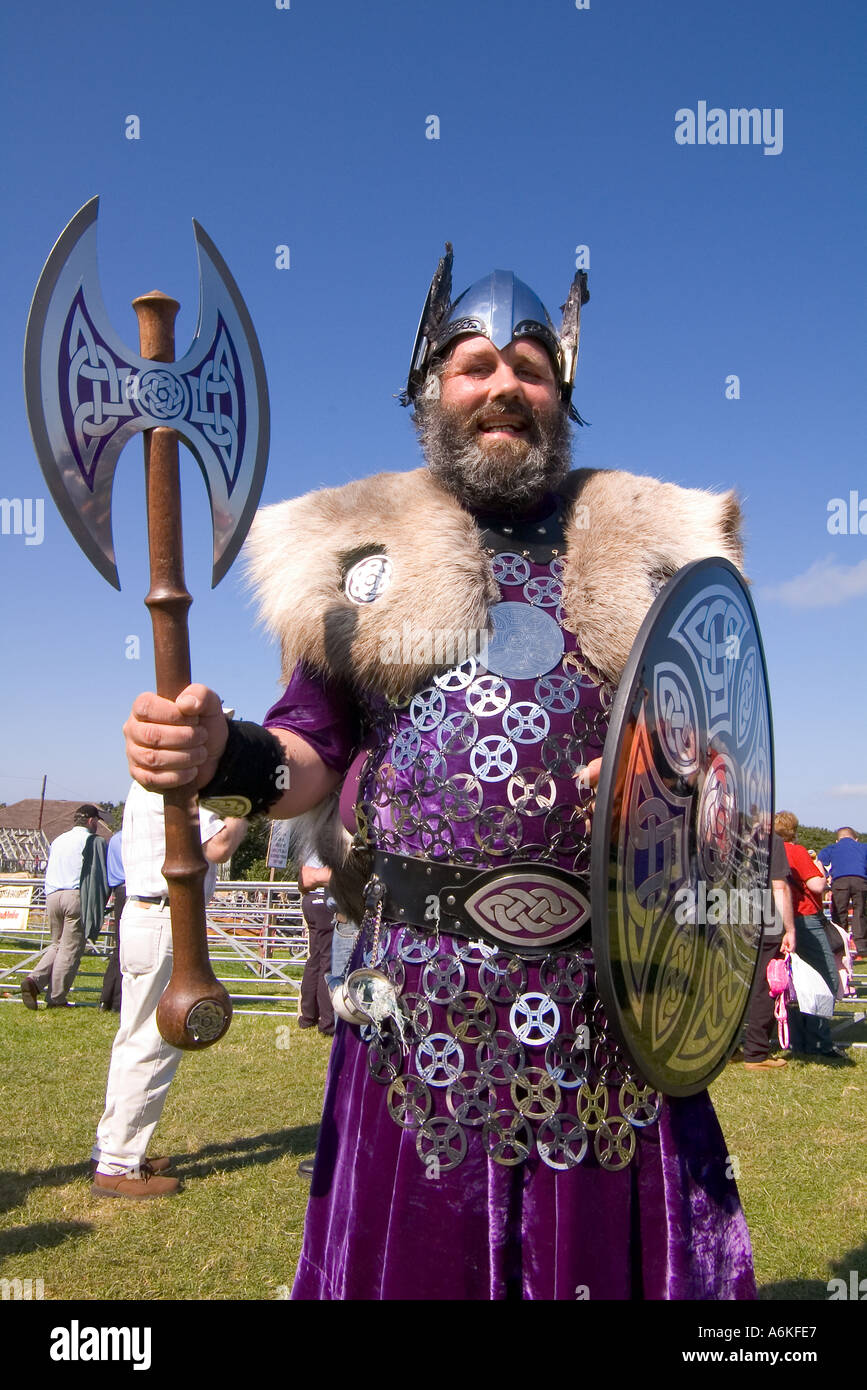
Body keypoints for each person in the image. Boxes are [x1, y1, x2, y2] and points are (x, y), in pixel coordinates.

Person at [123, 253, 756, 1298]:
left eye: (531, 367)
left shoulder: (657, 557)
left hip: (613, 1002)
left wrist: (673, 778)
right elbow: (307, 758)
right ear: (430, 392)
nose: (504, 384)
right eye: (473, 365)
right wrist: (219, 757)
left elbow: (728, 765)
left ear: (563, 397)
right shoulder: (362, 556)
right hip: (421, 1009)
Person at [90, 782, 246, 1199]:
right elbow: (219, 845)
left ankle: (112, 1147)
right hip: (167, 916)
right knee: (157, 1041)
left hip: (142, 911)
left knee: (133, 1038)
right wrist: (248, 807)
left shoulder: (144, 781)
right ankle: (119, 1164)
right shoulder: (181, 780)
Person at [22, 804, 108, 1009]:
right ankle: (57, 998)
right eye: (97, 821)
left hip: (52, 895)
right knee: (70, 949)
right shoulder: (92, 841)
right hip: (75, 895)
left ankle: (34, 981)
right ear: (91, 821)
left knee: (57, 945)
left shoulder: (59, 840)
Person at [774, 811, 845, 1059]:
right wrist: (823, 875)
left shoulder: (770, 852)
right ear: (794, 829)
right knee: (824, 979)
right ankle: (820, 1041)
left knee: (792, 983)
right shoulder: (797, 851)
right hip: (805, 919)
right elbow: (815, 884)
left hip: (779, 922)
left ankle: (797, 1040)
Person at [742, 833, 796, 1070]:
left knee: (732, 988)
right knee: (766, 986)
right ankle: (756, 1053)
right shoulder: (770, 840)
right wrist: (790, 929)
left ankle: (728, 1049)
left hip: (729, 919)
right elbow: (779, 886)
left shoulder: (728, 836)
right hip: (765, 921)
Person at [297, 860, 337, 1035]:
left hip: (309, 899)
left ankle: (307, 1016)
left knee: (315, 959)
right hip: (324, 899)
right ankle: (327, 1021)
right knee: (327, 961)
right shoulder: (329, 843)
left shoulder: (308, 842)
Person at [817, 827, 867, 960]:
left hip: (840, 881)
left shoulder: (832, 848)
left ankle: (840, 944)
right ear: (855, 839)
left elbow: (820, 861)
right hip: (860, 880)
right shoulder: (863, 847)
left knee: (839, 912)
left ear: (837, 840)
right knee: (859, 912)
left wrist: (827, 876)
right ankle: (861, 946)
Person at [99, 829, 126, 1012]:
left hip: (118, 891)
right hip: (133, 891)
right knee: (129, 948)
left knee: (120, 946)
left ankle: (106, 998)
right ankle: (118, 999)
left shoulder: (115, 839)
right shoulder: (136, 838)